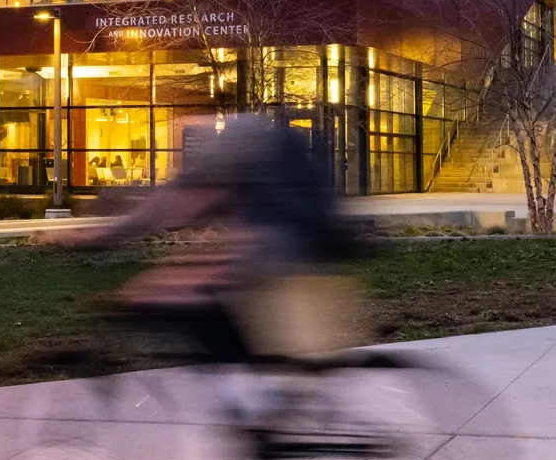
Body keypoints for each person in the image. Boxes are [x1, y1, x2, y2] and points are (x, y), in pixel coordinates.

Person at [79, 114, 361, 367]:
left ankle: (243, 384)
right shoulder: (274, 164)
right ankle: (251, 378)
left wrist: (101, 238)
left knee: (178, 296)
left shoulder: (235, 161)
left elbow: (165, 209)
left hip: (280, 257)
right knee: (194, 287)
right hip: (310, 251)